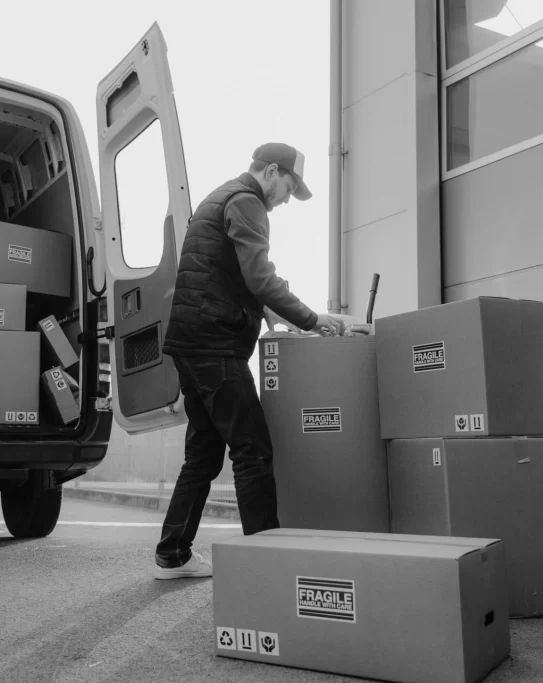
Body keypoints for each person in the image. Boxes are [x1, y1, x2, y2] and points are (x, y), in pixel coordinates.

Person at [154, 142, 346, 579]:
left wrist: (279, 316)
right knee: (252, 450)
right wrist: (312, 319)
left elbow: (234, 277)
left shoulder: (220, 197)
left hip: (190, 343)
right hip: (214, 346)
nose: (284, 201)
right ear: (272, 172)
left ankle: (173, 553)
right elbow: (260, 275)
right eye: (289, 188)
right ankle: (267, 560)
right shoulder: (247, 202)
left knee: (203, 455)